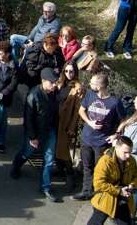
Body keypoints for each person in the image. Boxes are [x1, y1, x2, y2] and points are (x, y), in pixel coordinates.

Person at [10, 68, 62, 203]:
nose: (55, 85)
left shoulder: (54, 93)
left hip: (49, 130)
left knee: (49, 159)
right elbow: (28, 118)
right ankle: (16, 165)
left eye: (56, 82)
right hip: (35, 132)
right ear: (43, 81)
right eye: (52, 82)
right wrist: (32, 137)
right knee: (27, 152)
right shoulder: (33, 95)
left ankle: (45, 187)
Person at [74, 71, 126, 201]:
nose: (89, 84)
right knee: (87, 166)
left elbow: (124, 120)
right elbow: (81, 110)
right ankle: (86, 191)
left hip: (102, 142)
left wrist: (117, 134)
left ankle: (99, 194)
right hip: (87, 138)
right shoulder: (90, 95)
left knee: (100, 169)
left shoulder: (115, 102)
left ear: (99, 86)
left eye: (92, 83)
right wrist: (89, 122)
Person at [86, 136, 137, 225]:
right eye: (125, 152)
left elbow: (136, 176)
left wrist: (132, 185)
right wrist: (118, 191)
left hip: (123, 198)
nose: (128, 156)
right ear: (117, 148)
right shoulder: (105, 161)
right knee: (96, 222)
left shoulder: (131, 161)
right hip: (105, 197)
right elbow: (99, 184)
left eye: (130, 152)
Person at [57, 63, 86, 191]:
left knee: (65, 152)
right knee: (56, 148)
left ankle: (70, 175)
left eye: (72, 71)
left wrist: (72, 127)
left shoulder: (78, 88)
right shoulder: (60, 83)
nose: (69, 74)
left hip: (66, 123)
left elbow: (77, 111)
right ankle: (60, 169)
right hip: (55, 120)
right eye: (67, 71)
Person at [119, 94, 137, 218]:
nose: (133, 103)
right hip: (129, 161)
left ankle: (131, 217)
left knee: (134, 191)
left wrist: (120, 144)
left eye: (135, 102)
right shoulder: (135, 117)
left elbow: (136, 146)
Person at [0, 40, 18, 153]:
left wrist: (2, 94)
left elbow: (13, 84)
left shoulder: (13, 66)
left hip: (3, 97)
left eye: (0, 53)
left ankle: (0, 141)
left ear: (8, 54)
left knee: (2, 121)